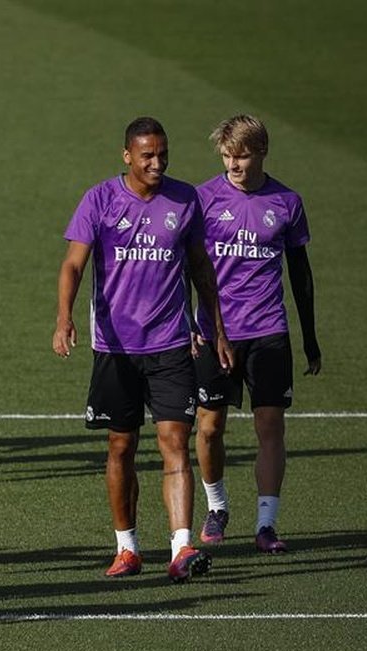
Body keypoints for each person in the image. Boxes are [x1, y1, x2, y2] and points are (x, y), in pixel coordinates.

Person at [53, 117, 234, 583]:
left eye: (163, 154)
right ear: (127, 156)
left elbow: (199, 267)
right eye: (148, 155)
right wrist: (64, 317)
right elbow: (74, 264)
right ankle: (127, 547)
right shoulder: (99, 199)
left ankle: (180, 547)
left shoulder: (185, 199)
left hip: (172, 343)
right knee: (121, 447)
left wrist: (216, 328)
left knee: (175, 444)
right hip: (115, 347)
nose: (157, 163)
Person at [192, 115, 321, 553]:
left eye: (242, 155)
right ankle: (217, 506)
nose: (234, 164)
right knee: (209, 428)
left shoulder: (287, 202)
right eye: (228, 155)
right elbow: (183, 266)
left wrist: (310, 337)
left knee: (270, 425)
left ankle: (266, 524)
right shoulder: (203, 199)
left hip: (268, 330)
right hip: (214, 331)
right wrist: (187, 325)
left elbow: (300, 274)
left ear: (262, 151)